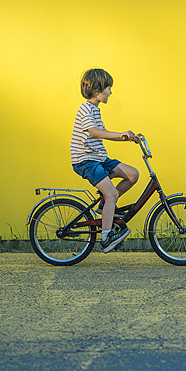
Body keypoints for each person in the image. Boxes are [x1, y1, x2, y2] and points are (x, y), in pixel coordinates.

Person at [70, 68, 139, 252]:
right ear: (97, 90)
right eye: (108, 88)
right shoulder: (85, 109)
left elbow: (103, 133)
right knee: (112, 194)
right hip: (86, 161)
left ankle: (105, 206)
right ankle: (106, 237)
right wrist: (120, 134)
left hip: (99, 158)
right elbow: (94, 132)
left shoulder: (95, 110)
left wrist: (128, 138)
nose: (111, 92)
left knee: (133, 174)